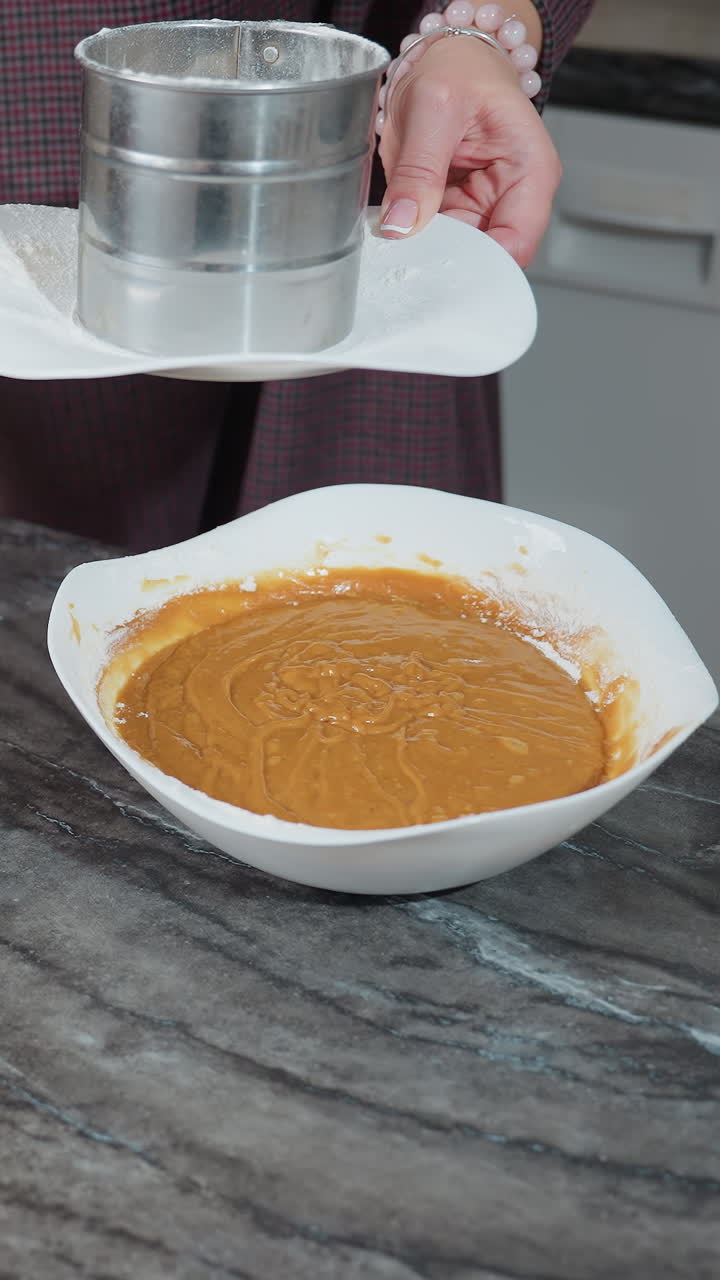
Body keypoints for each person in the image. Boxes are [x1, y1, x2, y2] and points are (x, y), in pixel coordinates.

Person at [0, 1, 593, 553]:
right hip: (37, 203)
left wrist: (481, 34)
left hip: (361, 214)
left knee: (375, 587)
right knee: (56, 606)